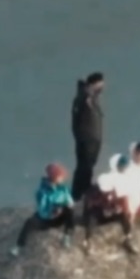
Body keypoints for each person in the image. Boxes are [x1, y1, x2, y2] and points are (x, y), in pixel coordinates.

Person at [15, 162, 76, 252]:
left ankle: (67, 236)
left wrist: (63, 206)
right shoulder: (42, 192)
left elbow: (70, 201)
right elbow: (42, 210)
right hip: (46, 220)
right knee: (29, 223)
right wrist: (53, 211)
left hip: (58, 217)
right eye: (60, 176)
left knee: (70, 211)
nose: (63, 178)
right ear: (54, 178)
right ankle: (19, 246)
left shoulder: (63, 188)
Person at [70, 72, 106, 201]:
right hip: (87, 138)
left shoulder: (90, 96)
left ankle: (82, 189)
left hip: (91, 137)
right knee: (85, 165)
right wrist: (81, 136)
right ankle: (79, 192)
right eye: (101, 84)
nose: (103, 87)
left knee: (88, 165)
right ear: (94, 83)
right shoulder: (85, 98)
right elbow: (77, 119)